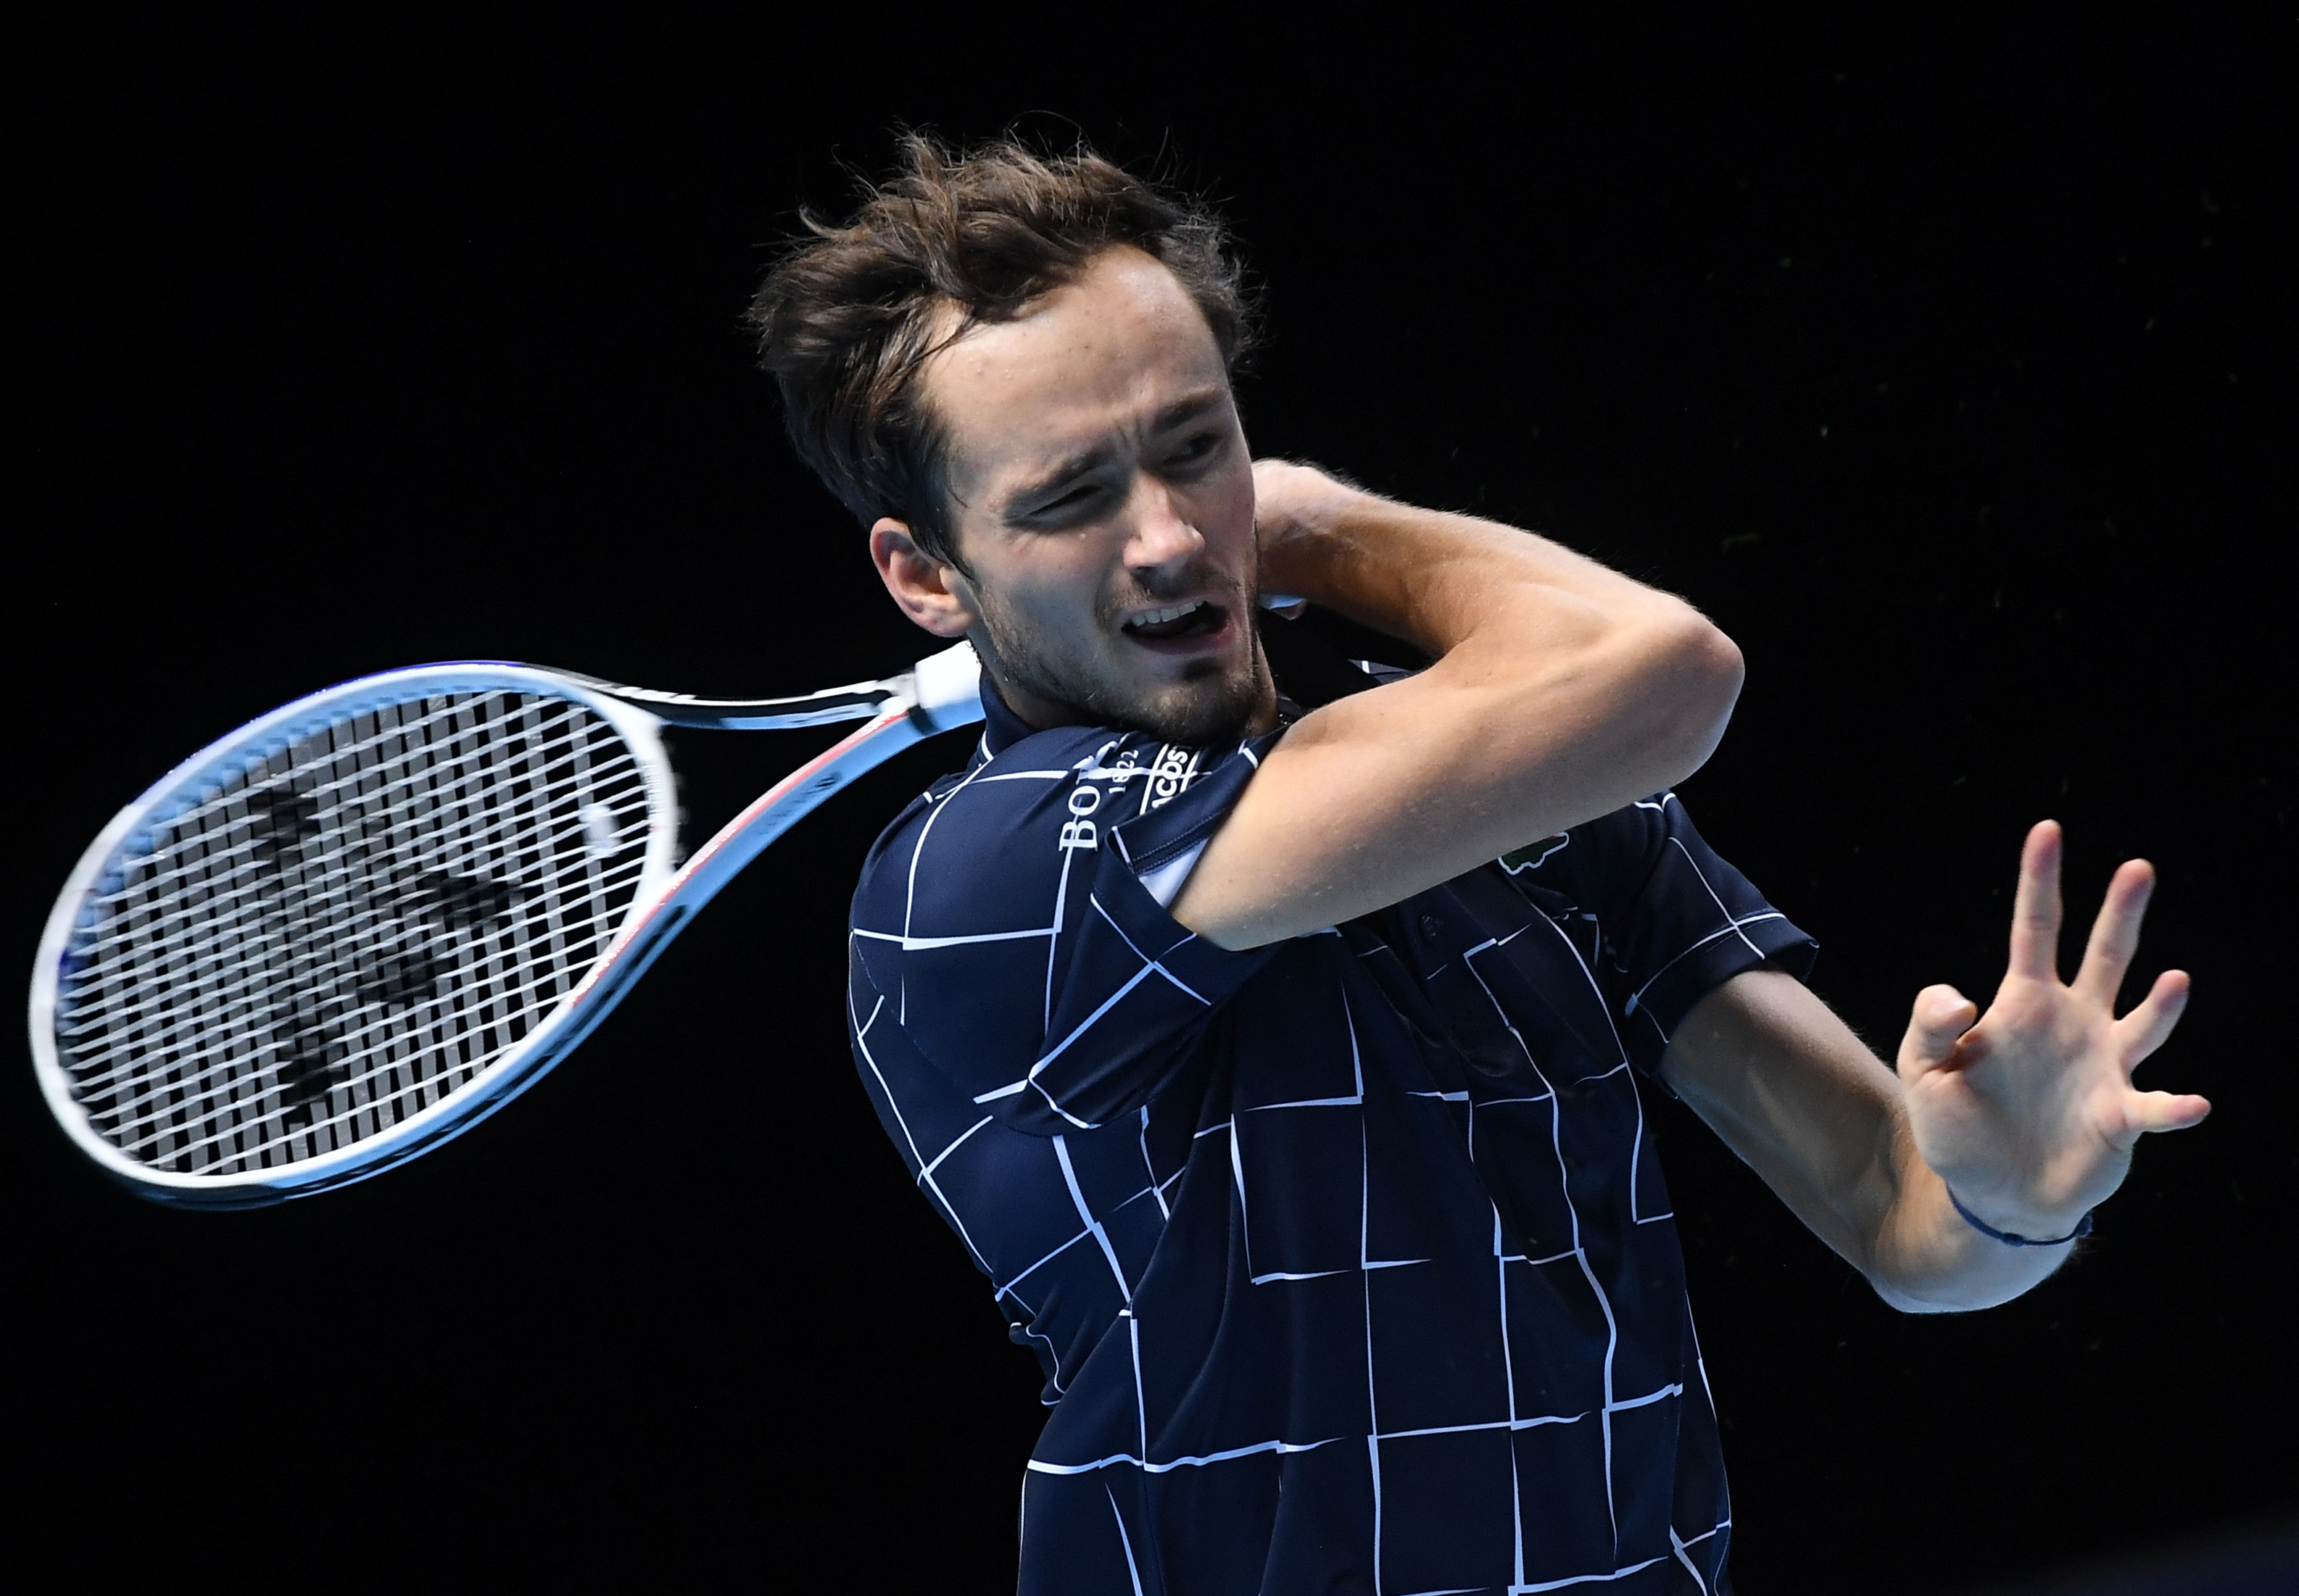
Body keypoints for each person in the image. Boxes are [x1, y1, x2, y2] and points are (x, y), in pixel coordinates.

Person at [747, 136, 2208, 1594]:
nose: (1171, 539)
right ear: (925, 573)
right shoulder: (979, 880)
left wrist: (2013, 1199)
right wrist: (1324, 524)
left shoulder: (1512, 788)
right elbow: (1666, 674)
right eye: (1070, 496)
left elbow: (1899, 1219)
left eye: (1197, 444)